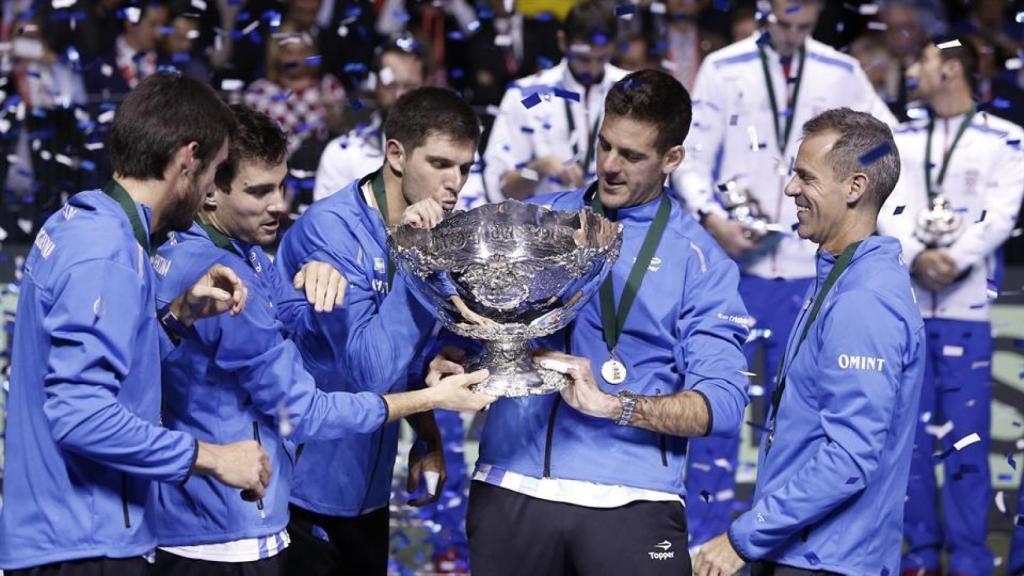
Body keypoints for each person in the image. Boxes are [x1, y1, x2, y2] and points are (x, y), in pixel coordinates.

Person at [150, 104, 495, 575]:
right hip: (265, 512)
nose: (281, 205)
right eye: (260, 190)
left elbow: (299, 338)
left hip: (326, 499)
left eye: (282, 185)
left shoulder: (251, 258)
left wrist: (427, 430)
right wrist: (428, 398)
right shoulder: (289, 248)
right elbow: (342, 388)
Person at [466, 68, 750, 576]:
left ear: (672, 159)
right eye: (605, 146)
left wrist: (615, 406)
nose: (611, 166)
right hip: (510, 486)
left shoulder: (700, 261)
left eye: (633, 155)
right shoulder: (533, 222)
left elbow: (723, 405)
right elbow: (468, 327)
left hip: (633, 501)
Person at [0, 72, 272, 574]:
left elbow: (109, 373)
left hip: (72, 536)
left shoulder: (88, 224)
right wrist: (213, 457)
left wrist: (178, 315)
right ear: (187, 159)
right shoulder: (106, 253)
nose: (213, 187)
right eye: (215, 169)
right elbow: (80, 414)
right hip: (85, 546)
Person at [671, 0, 897, 547]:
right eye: (783, 24)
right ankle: (701, 539)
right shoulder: (724, 67)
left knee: (798, 423)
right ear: (766, 11)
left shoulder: (842, 72)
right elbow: (693, 156)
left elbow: (884, 148)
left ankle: (775, 539)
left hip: (806, 270)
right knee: (718, 407)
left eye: (803, 26)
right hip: (733, 271)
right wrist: (711, 216)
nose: (792, 36)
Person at [694, 108, 924, 576]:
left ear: (855, 188)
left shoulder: (865, 300)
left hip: (827, 561)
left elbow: (849, 458)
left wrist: (744, 537)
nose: (790, 189)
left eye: (805, 177)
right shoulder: (840, 277)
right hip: (801, 549)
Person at [274, 86, 481, 575]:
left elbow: (405, 361)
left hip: (364, 499)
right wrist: (416, 257)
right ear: (395, 154)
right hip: (299, 499)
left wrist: (426, 438)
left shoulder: (429, 234)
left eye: (466, 168)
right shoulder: (330, 232)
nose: (454, 183)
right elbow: (369, 370)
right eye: (440, 163)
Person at [877, 37, 1024, 576]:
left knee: (967, 441)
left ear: (953, 69)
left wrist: (955, 258)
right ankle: (916, 552)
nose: (915, 68)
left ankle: (968, 556)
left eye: (925, 61)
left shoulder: (1006, 139)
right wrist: (917, 254)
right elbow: (886, 201)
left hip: (967, 308)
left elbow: (1003, 212)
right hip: (909, 306)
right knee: (909, 440)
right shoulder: (899, 137)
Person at [481, 0, 627, 201]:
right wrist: (539, 167)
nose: (592, 69)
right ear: (562, 42)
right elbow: (501, 187)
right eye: (584, 59)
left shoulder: (632, 91)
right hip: (543, 226)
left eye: (601, 59)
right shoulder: (525, 95)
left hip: (619, 222)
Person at [313, 37, 427, 202]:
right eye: (390, 85)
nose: (399, 95)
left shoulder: (454, 153)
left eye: (409, 86)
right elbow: (327, 224)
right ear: (374, 84)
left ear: (426, 86)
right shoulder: (343, 152)